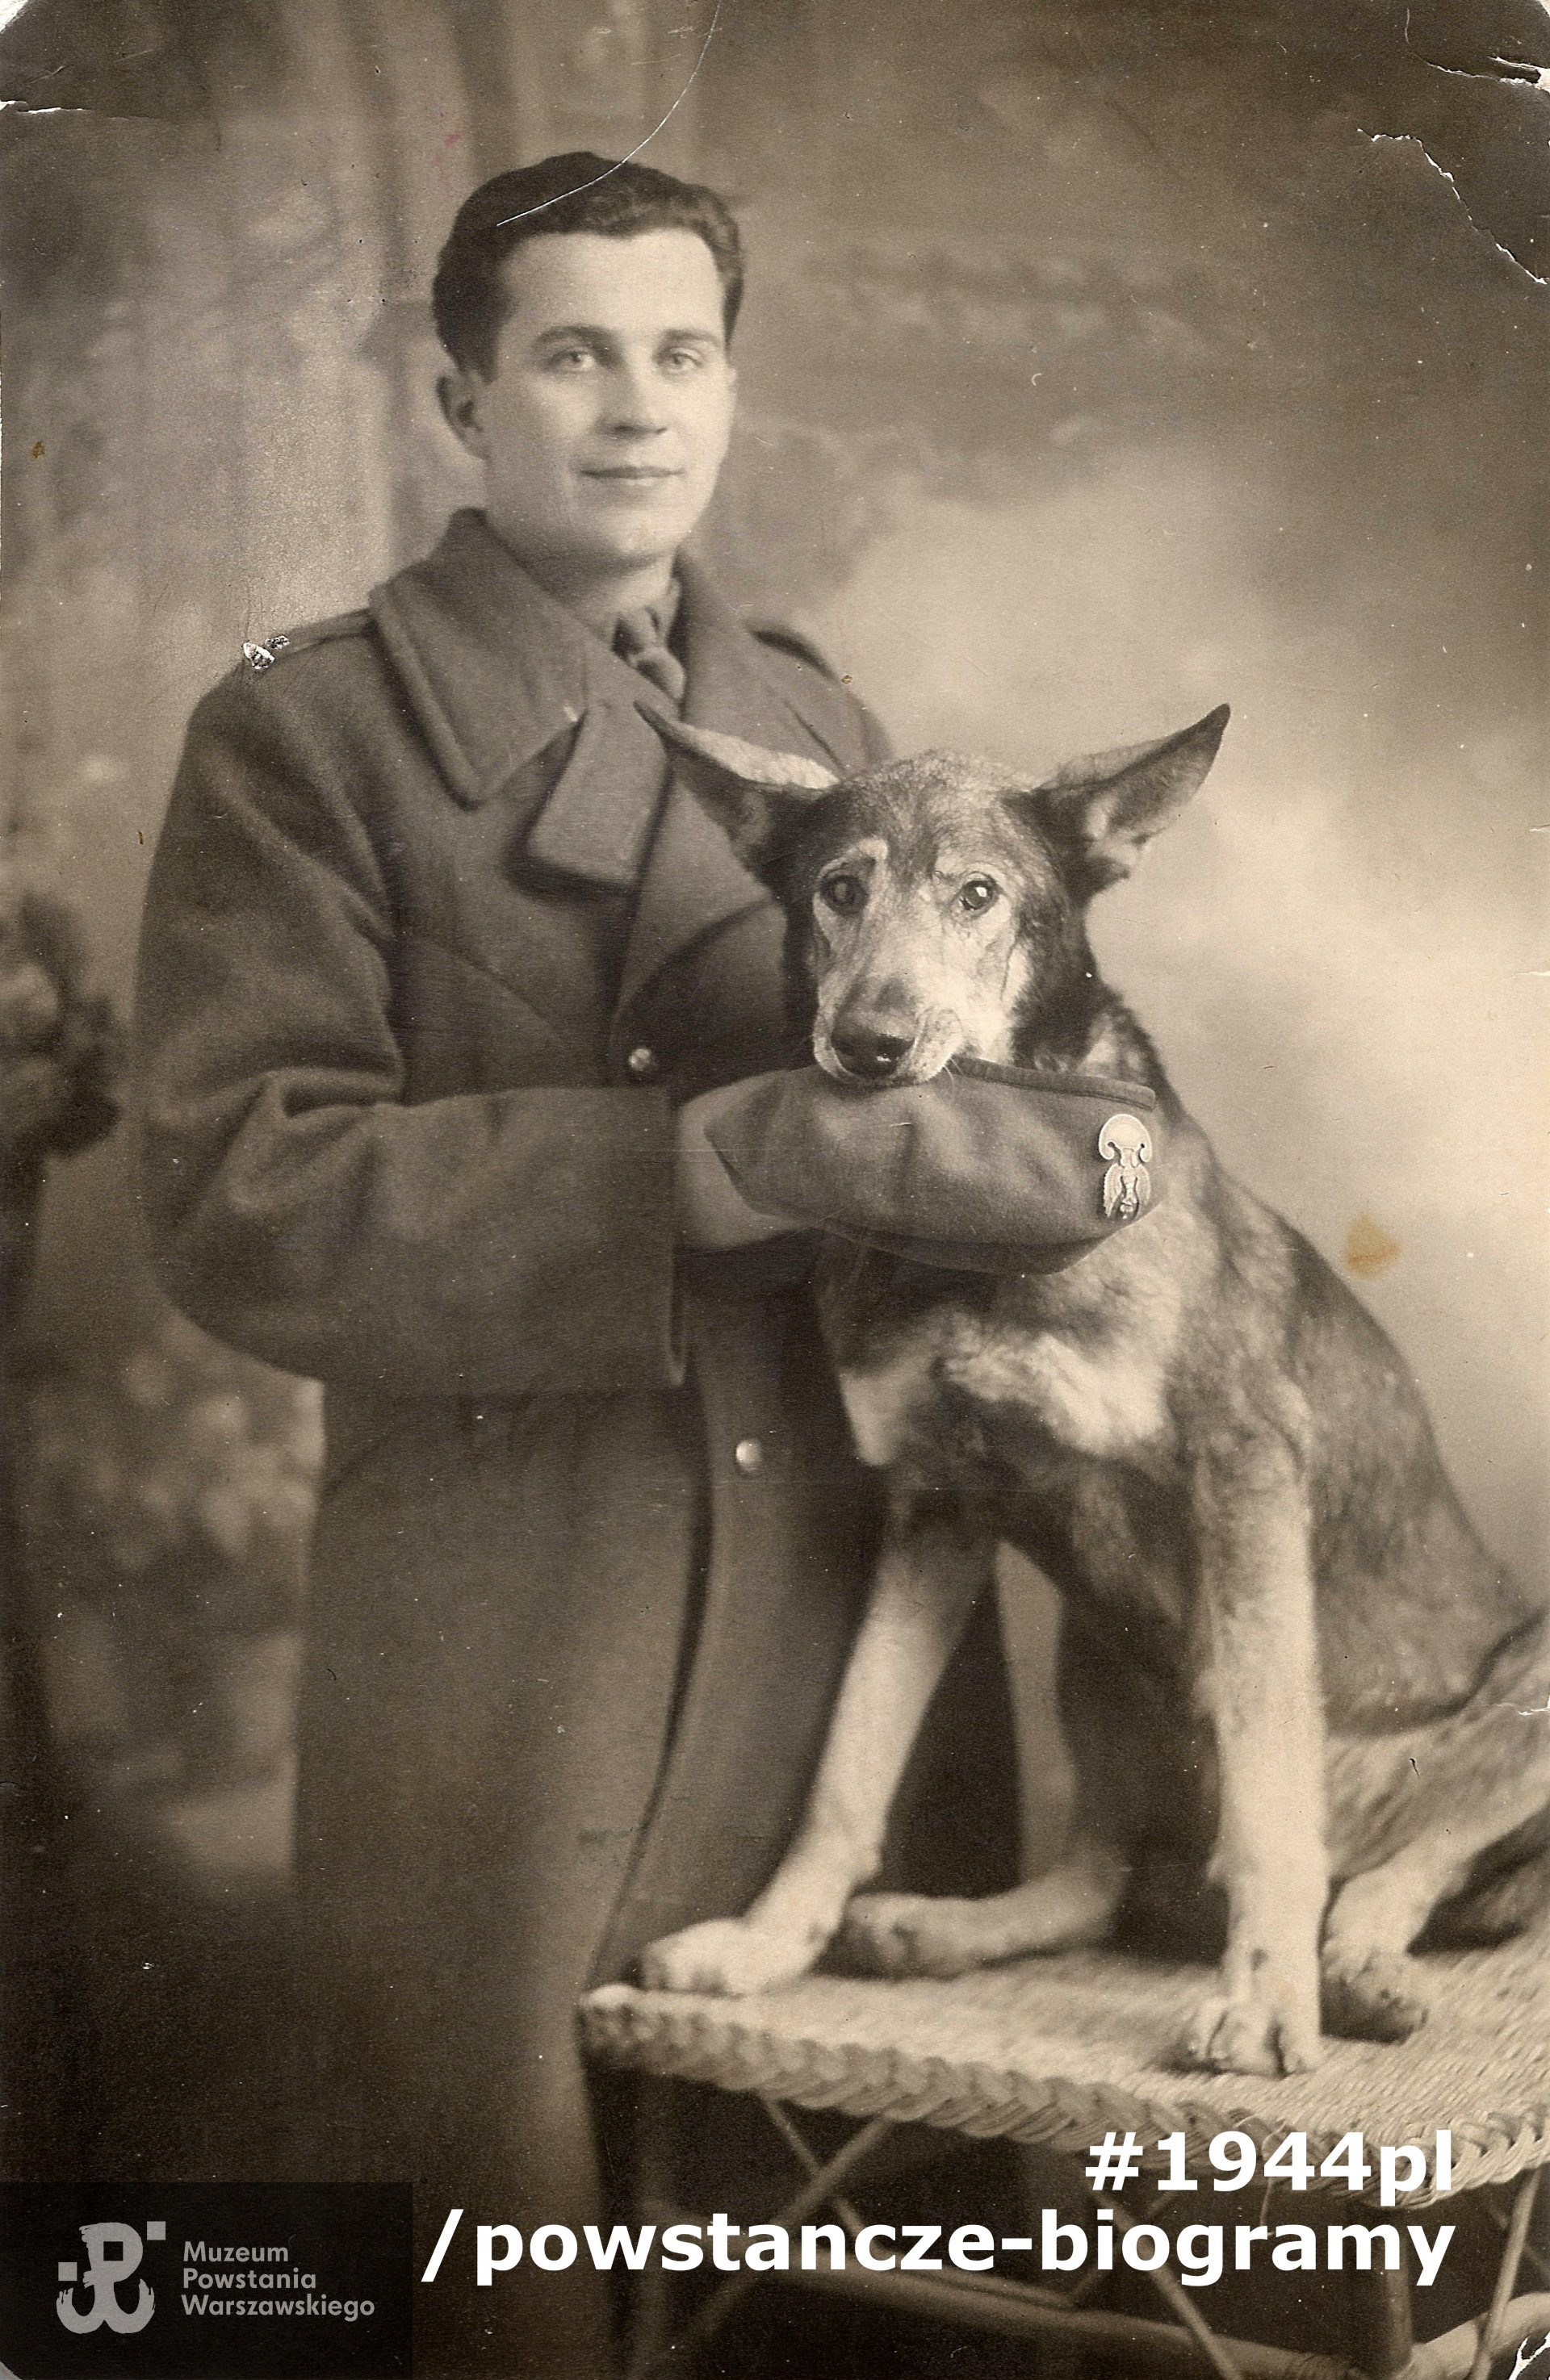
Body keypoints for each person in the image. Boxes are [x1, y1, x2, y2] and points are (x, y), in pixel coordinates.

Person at [132, 152, 904, 2379]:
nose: (634, 409)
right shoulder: (308, 731)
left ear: (734, 388)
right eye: (571, 354)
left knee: (843, 2260)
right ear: (459, 395)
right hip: (509, 1628)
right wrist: (678, 1177)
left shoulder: (828, 732)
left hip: (821, 1587)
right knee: (514, 2276)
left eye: (682, 355)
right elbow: (239, 1193)